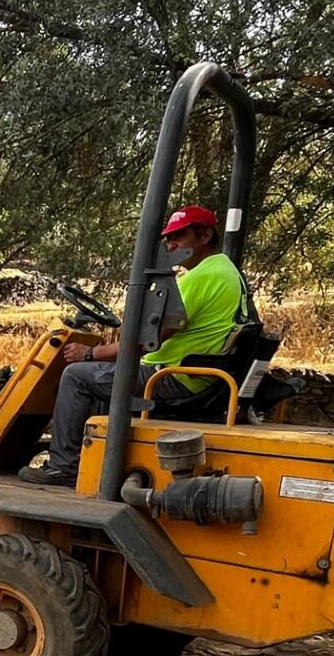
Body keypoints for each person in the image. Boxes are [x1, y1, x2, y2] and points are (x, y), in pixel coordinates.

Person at [19, 204, 244, 488]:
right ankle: (94, 459)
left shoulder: (201, 277)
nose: (171, 245)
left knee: (77, 376)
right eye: (168, 239)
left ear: (204, 236)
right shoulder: (225, 270)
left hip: (174, 377)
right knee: (101, 376)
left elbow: (146, 340)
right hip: (194, 376)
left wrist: (89, 353)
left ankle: (64, 466)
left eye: (179, 237)